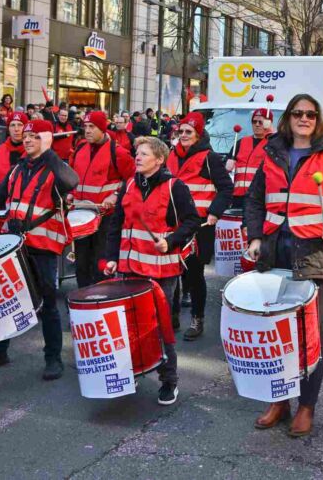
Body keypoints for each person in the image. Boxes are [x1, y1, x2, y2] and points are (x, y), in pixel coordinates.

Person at [244, 93, 323, 437]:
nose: (304, 118)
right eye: (298, 113)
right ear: (288, 117)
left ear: (318, 118)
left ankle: (306, 406)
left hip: (318, 257)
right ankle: (279, 400)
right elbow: (254, 199)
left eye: (311, 114)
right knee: (274, 332)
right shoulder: (272, 151)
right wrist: (254, 237)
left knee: (308, 335)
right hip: (275, 253)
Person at [0, 119, 79, 380]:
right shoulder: (18, 168)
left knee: (47, 303)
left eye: (34, 136)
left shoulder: (56, 168)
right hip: (14, 243)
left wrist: (49, 151)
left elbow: (71, 181)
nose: (28, 139)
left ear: (45, 138)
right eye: (27, 135)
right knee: (6, 299)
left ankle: (53, 358)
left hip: (43, 246)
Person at [104, 136, 202, 405]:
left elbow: (193, 220)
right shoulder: (129, 185)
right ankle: (133, 370)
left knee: (160, 327)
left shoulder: (175, 187)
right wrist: (111, 257)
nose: (137, 157)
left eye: (144, 154)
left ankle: (169, 380)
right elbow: (116, 225)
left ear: (159, 160)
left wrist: (170, 241)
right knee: (128, 325)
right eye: (137, 153)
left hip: (161, 272)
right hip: (128, 268)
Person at [166, 112, 233, 340]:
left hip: (201, 225)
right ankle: (173, 316)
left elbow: (226, 188)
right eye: (181, 131)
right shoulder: (171, 155)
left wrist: (215, 212)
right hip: (174, 224)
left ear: (198, 134)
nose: (183, 135)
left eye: (189, 132)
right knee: (171, 271)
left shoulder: (209, 158)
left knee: (194, 274)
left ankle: (197, 319)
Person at [68, 111, 135, 288]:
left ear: (102, 128)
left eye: (92, 127)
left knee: (100, 263)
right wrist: (70, 193)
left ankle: (101, 300)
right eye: (85, 127)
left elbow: (133, 179)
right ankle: (82, 299)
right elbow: (74, 179)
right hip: (81, 216)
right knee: (81, 263)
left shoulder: (117, 152)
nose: (87, 130)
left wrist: (115, 196)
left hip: (106, 217)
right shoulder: (80, 149)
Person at [226, 108, 273, 209]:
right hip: (238, 196)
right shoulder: (240, 142)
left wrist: (271, 132)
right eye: (254, 121)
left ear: (268, 123)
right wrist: (227, 166)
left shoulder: (273, 144)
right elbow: (227, 168)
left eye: (261, 122)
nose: (257, 124)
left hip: (259, 197)